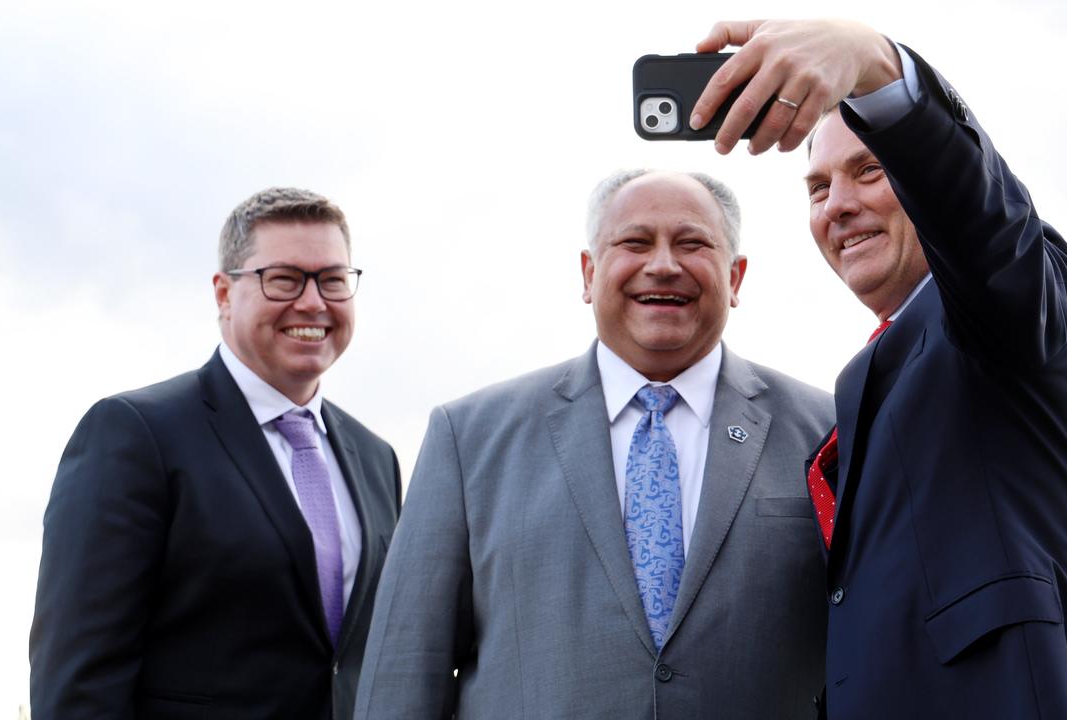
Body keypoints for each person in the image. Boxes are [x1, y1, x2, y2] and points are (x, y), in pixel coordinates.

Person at [689, 19, 1067, 719]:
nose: (839, 205)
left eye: (870, 170)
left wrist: (877, 67)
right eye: (817, 190)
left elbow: (982, 220)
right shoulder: (866, 383)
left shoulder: (1016, 305)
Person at [353, 169, 835, 719]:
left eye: (692, 243)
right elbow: (404, 670)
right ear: (588, 273)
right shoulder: (468, 439)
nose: (662, 264)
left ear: (736, 276)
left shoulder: (828, 432)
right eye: (634, 242)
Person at [30, 187, 402, 719]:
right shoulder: (135, 435)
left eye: (333, 280)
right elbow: (80, 678)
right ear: (224, 293)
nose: (314, 301)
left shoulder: (376, 459)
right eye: (284, 279)